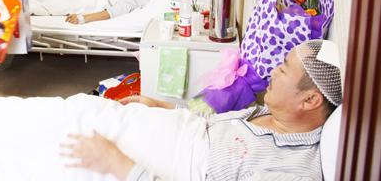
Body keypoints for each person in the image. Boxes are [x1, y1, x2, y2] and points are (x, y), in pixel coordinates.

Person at [60, 40, 343, 180]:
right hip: (170, 130)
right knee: (79, 108)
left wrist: (117, 165)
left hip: (148, 163)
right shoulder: (264, 114)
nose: (272, 71)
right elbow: (213, 124)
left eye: (283, 70)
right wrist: (161, 105)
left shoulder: (292, 170)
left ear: (310, 101)